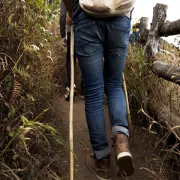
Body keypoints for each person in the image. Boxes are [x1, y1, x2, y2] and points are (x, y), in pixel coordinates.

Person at [63, 0, 135, 179]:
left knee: (94, 91)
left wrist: (72, 13)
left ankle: (102, 160)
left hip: (86, 15)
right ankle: (121, 141)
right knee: (114, 84)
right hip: (120, 16)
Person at [60, 1, 77, 101]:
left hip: (72, 30)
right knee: (86, 58)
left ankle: (72, 87)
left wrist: (63, 35)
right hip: (86, 29)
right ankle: (86, 89)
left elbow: (62, 16)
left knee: (71, 59)